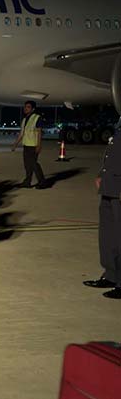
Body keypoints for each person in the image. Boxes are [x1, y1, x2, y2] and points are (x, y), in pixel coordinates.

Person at [83, 120, 121, 299]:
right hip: (110, 185)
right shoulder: (119, 123)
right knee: (108, 235)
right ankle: (111, 275)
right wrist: (102, 174)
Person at [12, 100, 48, 189]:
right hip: (26, 145)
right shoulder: (24, 120)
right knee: (27, 165)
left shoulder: (37, 118)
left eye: (28, 107)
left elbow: (39, 132)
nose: (25, 108)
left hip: (33, 145)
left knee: (34, 165)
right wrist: (15, 144)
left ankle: (42, 182)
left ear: (33, 109)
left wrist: (39, 145)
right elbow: (21, 134)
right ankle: (27, 182)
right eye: (25, 107)